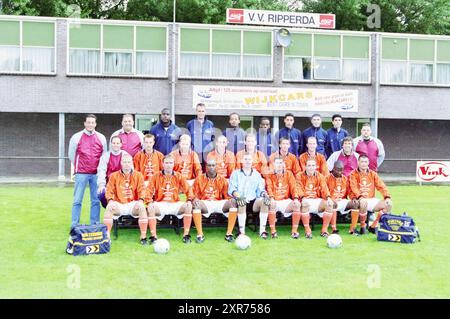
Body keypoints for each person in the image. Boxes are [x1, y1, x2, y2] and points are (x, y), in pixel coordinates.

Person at [68, 114, 107, 228]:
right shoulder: (76, 137)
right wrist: (79, 166)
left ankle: (94, 223)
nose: (90, 124)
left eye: (92, 122)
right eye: (88, 122)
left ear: (95, 124)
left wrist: (100, 171)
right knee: (77, 200)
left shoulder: (101, 137)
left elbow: (104, 156)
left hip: (96, 174)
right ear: (84, 123)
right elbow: (71, 154)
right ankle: (75, 224)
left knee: (95, 200)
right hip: (81, 173)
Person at [146, 155, 194, 243]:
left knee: (188, 206)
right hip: (160, 204)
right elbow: (148, 191)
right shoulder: (156, 176)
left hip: (175, 203)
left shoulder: (179, 176)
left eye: (171, 163)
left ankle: (186, 235)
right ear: (162, 164)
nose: (168, 165)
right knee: (151, 208)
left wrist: (189, 200)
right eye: (166, 163)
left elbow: (188, 189)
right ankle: (153, 236)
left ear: (173, 164)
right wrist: (149, 202)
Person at [102, 153, 147, 243]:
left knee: (142, 208)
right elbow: (109, 190)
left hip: (133, 204)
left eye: (129, 162)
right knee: (109, 208)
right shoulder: (114, 175)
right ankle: (106, 237)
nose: (127, 164)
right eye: (125, 162)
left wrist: (141, 200)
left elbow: (142, 190)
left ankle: (143, 237)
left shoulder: (138, 175)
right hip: (119, 204)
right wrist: (110, 201)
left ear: (132, 163)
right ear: (121, 163)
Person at [228, 153, 271, 239]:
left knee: (264, 201)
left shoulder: (257, 174)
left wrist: (265, 195)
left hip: (253, 201)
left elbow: (260, 190)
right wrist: (239, 196)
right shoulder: (235, 173)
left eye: (249, 159)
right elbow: (232, 190)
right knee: (242, 201)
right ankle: (242, 232)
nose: (247, 161)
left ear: (252, 161)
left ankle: (262, 231)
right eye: (245, 159)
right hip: (240, 200)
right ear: (242, 161)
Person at [192, 159, 236, 243]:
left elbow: (227, 196)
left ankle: (229, 234)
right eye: (209, 165)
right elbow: (195, 194)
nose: (211, 167)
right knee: (196, 204)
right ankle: (200, 235)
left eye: (213, 165)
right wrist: (195, 199)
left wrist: (231, 199)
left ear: (217, 167)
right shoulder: (199, 179)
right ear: (206, 167)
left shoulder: (222, 179)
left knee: (233, 202)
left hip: (219, 202)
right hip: (205, 203)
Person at [349, 155, 393, 235]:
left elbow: (381, 186)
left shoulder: (373, 174)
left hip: (371, 199)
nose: (363, 164)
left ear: (368, 163)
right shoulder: (353, 174)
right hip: (359, 199)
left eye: (365, 162)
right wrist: (360, 197)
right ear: (358, 162)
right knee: (363, 202)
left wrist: (387, 197)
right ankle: (363, 227)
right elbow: (353, 187)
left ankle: (373, 226)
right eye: (362, 161)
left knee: (389, 204)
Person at [265, 157, 302, 239]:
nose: (279, 165)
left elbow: (294, 187)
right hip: (274, 200)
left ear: (284, 165)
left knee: (297, 205)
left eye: (281, 163)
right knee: (271, 204)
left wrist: (295, 198)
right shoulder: (269, 174)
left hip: (285, 200)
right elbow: (269, 187)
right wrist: (271, 198)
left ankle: (294, 231)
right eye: (277, 163)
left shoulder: (289, 174)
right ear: (273, 165)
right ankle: (273, 231)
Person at [296, 159, 334, 238]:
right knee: (304, 204)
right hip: (304, 199)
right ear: (305, 167)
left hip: (316, 199)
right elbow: (298, 188)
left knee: (329, 205)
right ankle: (308, 231)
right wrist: (303, 198)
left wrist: (328, 197)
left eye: (313, 165)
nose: (311, 167)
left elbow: (324, 188)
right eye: (309, 165)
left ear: (316, 167)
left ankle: (324, 230)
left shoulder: (320, 176)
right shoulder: (299, 175)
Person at [326, 160, 359, 234]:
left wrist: (353, 198)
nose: (339, 172)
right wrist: (330, 199)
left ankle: (352, 229)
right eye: (338, 170)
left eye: (341, 170)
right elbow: (324, 192)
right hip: (331, 201)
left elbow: (350, 191)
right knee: (333, 204)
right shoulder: (327, 178)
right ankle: (334, 229)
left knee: (356, 203)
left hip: (342, 200)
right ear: (333, 168)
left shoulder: (345, 179)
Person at [97, 135, 130, 208]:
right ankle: (110, 210)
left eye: (117, 143)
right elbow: (101, 171)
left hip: (123, 184)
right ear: (111, 144)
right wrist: (101, 185)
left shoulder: (125, 155)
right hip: (110, 184)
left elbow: (131, 171)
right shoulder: (105, 156)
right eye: (114, 143)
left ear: (121, 144)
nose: (116, 145)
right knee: (101, 194)